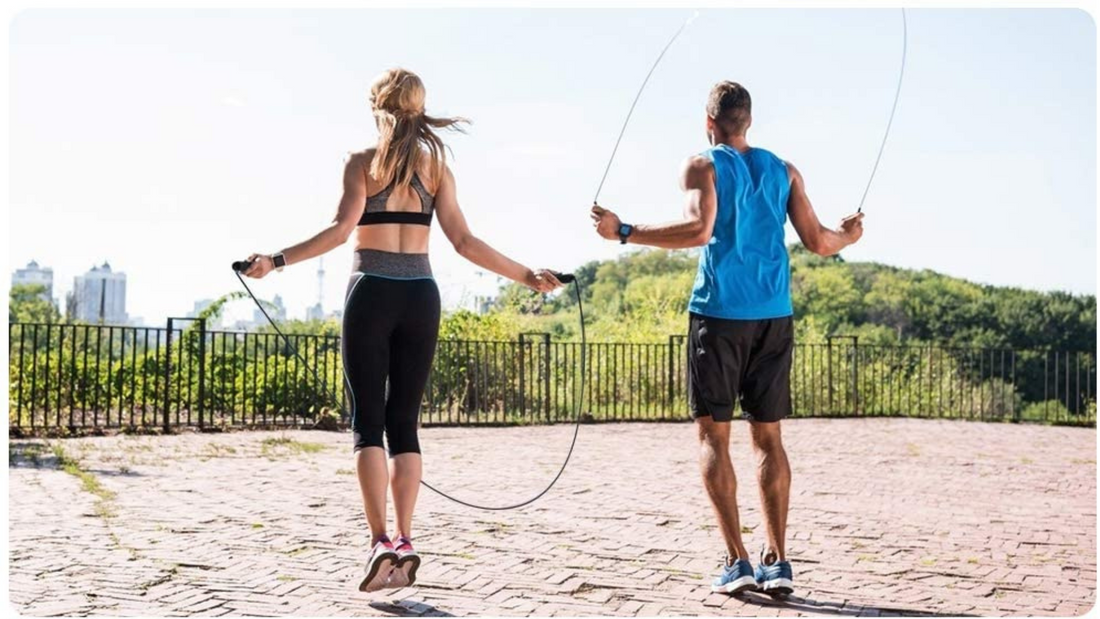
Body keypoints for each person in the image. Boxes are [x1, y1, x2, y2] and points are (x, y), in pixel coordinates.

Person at [241, 67, 561, 593]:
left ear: (377, 108)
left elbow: (341, 231)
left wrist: (274, 261)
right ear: (418, 109)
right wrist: (527, 276)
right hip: (421, 296)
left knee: (369, 423)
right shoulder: (436, 169)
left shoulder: (362, 163)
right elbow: (464, 241)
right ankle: (407, 541)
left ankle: (379, 543)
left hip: (371, 289)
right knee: (404, 424)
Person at [590, 80, 864, 596]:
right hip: (774, 317)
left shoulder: (702, 164)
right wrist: (850, 234)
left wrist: (623, 230)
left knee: (714, 436)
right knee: (769, 437)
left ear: (708, 122)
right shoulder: (784, 171)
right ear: (750, 121)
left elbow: (698, 230)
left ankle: (738, 560)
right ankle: (778, 561)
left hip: (719, 316)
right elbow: (821, 242)